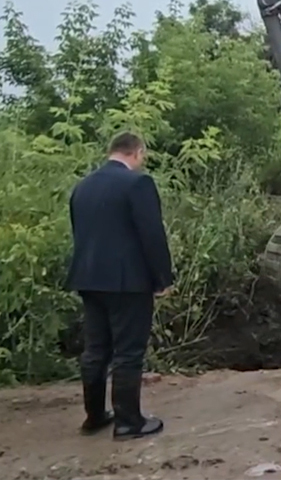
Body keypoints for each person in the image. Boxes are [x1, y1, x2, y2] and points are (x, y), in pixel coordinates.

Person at [68, 132, 174, 441]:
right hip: (128, 282)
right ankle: (129, 423)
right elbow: (152, 235)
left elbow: (81, 234)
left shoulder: (82, 187)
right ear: (137, 152)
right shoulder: (137, 183)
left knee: (96, 349)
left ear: (111, 151)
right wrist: (162, 279)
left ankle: (95, 416)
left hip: (89, 279)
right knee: (128, 352)